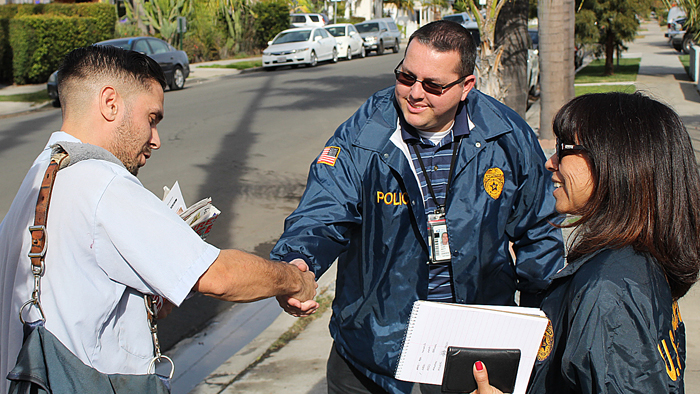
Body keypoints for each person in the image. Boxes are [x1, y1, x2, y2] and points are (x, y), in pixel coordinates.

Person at [0, 45, 317, 393]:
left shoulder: (40, 178)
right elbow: (220, 276)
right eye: (151, 119)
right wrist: (292, 279)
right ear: (110, 103)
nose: (156, 140)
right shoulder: (103, 184)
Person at [270, 20, 565, 394]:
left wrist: (539, 329)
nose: (414, 93)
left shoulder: (506, 136)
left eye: (433, 85)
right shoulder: (365, 133)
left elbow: (539, 233)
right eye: (406, 77)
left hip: (473, 353)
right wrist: (298, 262)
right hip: (371, 352)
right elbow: (324, 209)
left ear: (466, 87)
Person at [474, 92, 700, 394]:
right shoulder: (635, 262)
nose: (550, 163)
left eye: (563, 149)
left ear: (615, 160)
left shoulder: (609, 292)